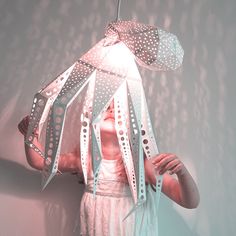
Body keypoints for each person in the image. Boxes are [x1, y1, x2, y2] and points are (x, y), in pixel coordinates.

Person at [18, 101, 200, 236]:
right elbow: (39, 162)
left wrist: (182, 173)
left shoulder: (142, 167)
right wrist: (30, 137)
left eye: (119, 109)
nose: (111, 111)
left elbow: (189, 201)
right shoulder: (85, 160)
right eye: (106, 108)